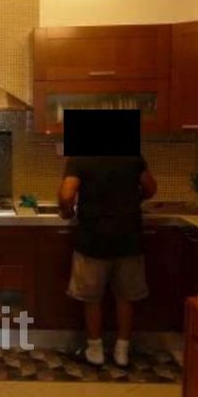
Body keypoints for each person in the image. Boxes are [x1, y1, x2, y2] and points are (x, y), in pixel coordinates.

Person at [57, 155, 157, 367]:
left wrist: (67, 211)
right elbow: (150, 188)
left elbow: (67, 194)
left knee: (92, 298)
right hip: (128, 238)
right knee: (125, 297)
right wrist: (133, 199)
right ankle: (122, 351)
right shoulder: (132, 155)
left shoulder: (81, 157)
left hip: (93, 239)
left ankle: (95, 351)